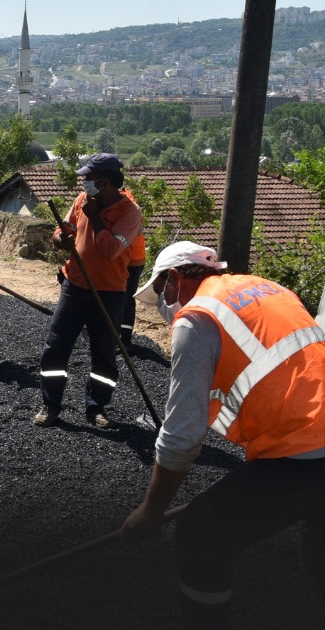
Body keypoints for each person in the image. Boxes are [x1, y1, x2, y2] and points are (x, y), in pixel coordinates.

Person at [120, 241, 325, 629]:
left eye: (162, 290)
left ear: (176, 279)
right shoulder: (269, 288)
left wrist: (152, 510)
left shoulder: (198, 317)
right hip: (315, 438)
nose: (164, 305)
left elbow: (182, 434)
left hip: (304, 450)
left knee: (201, 533)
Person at [32, 153, 141, 428]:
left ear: (105, 182)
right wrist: (61, 239)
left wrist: (95, 220)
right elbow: (63, 229)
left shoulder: (130, 213)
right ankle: (51, 404)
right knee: (56, 347)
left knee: (104, 354)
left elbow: (111, 250)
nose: (84, 183)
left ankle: (96, 408)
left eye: (89, 178)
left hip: (109, 293)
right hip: (75, 286)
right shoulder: (82, 201)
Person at [120, 232, 147, 352]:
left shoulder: (129, 213)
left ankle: (125, 340)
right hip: (127, 258)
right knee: (123, 298)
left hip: (131, 260)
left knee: (125, 299)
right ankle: (119, 337)